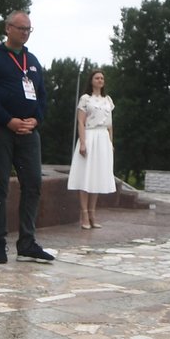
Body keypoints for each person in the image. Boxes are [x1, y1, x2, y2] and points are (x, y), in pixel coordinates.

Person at [0, 10, 54, 263]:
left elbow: (42, 95)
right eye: (21, 28)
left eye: (29, 29)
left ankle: (27, 243)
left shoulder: (32, 60)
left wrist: (37, 119)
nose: (25, 33)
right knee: (0, 186)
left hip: (29, 132)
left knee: (33, 184)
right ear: (8, 28)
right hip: (0, 129)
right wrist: (8, 120)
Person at [69, 69, 116, 229]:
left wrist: (111, 143)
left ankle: (92, 214)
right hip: (90, 136)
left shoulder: (108, 100)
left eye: (102, 78)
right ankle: (84, 215)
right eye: (97, 78)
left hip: (103, 138)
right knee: (86, 175)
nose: (100, 80)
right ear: (91, 81)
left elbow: (110, 124)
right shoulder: (85, 99)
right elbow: (81, 122)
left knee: (96, 177)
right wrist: (83, 142)